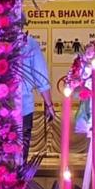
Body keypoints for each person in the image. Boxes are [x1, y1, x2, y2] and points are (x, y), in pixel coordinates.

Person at [21, 20, 55, 162]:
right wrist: (49, 105)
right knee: (20, 154)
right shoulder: (29, 43)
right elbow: (40, 76)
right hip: (23, 107)